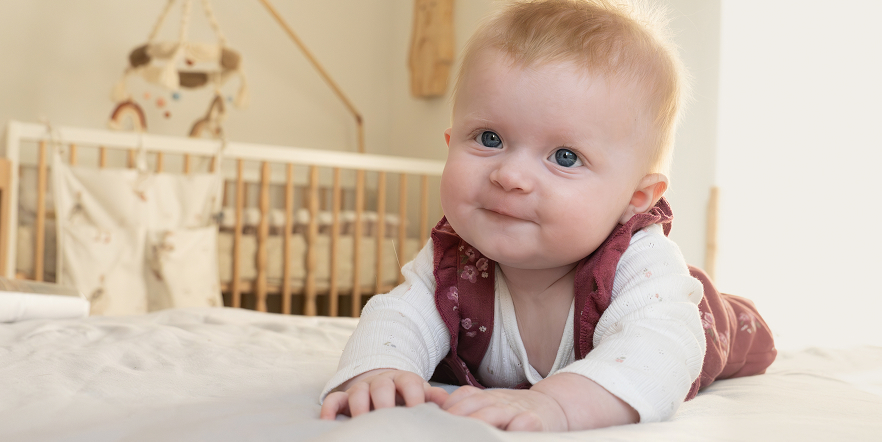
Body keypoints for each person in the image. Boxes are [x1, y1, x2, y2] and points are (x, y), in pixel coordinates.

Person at [319, 0, 776, 431]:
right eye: (490, 138)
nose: (510, 175)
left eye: (564, 156)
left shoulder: (639, 264)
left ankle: (741, 315)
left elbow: (660, 353)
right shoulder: (451, 264)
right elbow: (400, 319)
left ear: (636, 197)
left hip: (701, 318)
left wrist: (556, 403)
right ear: (450, 141)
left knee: (719, 325)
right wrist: (379, 369)